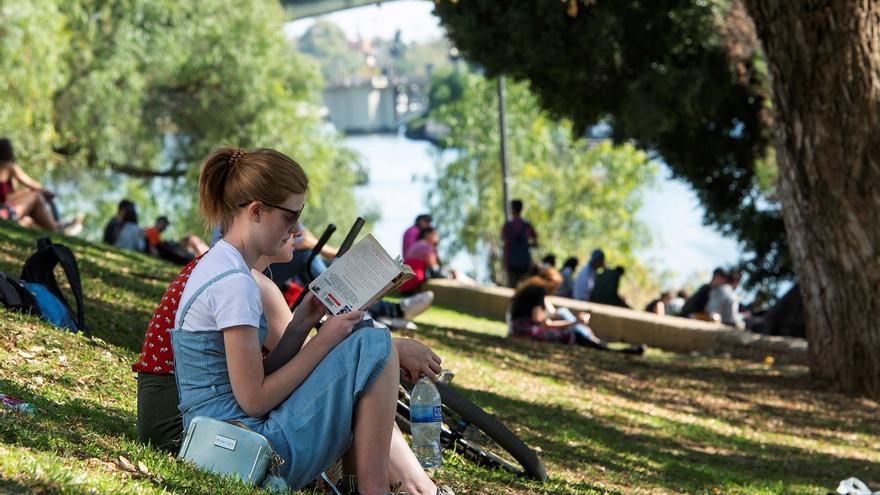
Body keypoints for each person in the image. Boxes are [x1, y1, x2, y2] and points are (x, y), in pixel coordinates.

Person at [170, 147, 447, 495]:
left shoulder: (221, 264)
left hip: (229, 437)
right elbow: (254, 399)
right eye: (290, 216)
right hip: (245, 447)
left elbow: (254, 377)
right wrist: (323, 340)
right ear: (256, 211)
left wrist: (301, 324)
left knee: (365, 340)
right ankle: (372, 487)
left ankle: (363, 485)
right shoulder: (235, 283)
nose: (297, 229)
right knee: (372, 342)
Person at [508, 267, 644, 354]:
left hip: (519, 328)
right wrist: (575, 323)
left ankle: (595, 340)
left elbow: (548, 313)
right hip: (524, 331)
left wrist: (574, 321)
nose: (555, 290)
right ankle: (603, 346)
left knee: (566, 316)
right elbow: (541, 321)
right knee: (575, 333)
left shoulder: (534, 288)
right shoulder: (538, 291)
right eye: (555, 287)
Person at [0, 138, 81, 234]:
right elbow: (32, 184)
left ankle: (57, 226)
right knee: (37, 195)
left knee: (32, 211)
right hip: (4, 212)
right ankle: (56, 229)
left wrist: (26, 192)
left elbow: (9, 196)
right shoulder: (10, 167)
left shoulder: (7, 171)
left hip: (6, 209)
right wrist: (45, 192)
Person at [501, 199, 538, 288]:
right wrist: (527, 246)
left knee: (511, 290)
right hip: (525, 263)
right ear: (521, 209)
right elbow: (536, 243)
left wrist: (505, 263)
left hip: (512, 263)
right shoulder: (527, 226)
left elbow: (506, 245)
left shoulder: (508, 226)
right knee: (525, 290)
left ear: (512, 209)